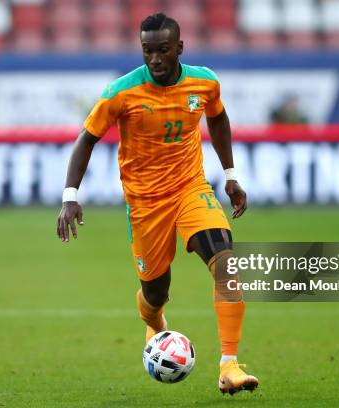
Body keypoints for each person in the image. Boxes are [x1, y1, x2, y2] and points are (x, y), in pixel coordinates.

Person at [57, 13, 258, 395]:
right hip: (146, 204)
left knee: (227, 263)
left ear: (179, 47)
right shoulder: (122, 91)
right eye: (147, 51)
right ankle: (154, 320)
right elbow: (86, 138)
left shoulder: (205, 82)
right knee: (155, 293)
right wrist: (70, 197)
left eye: (163, 50)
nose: (155, 60)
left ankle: (229, 365)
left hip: (190, 189)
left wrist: (230, 176)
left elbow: (217, 118)